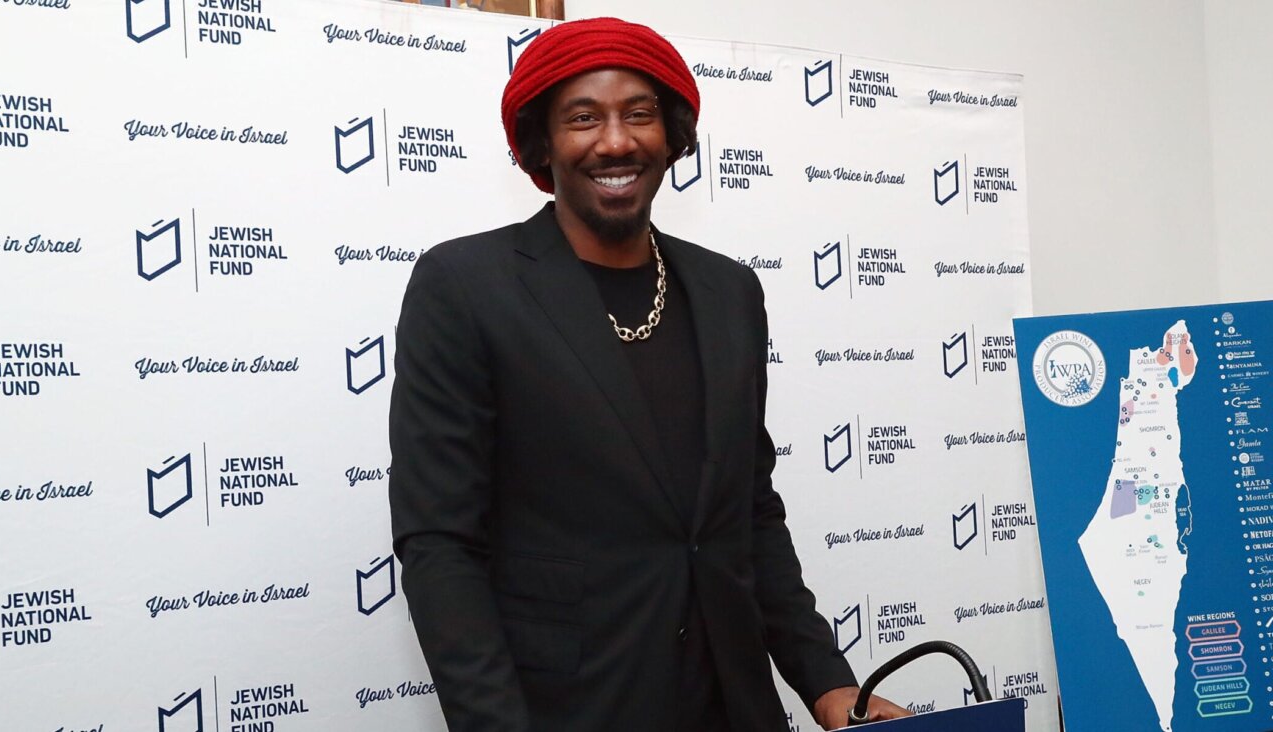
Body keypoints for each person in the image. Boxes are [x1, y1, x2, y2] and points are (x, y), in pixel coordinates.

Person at [388, 16, 910, 731]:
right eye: (583, 117)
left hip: (732, 704)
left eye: (639, 114)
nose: (615, 140)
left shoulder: (730, 292)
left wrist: (826, 683)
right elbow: (440, 544)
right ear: (544, 142)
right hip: (569, 709)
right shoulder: (465, 286)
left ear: (672, 136)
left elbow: (749, 514)